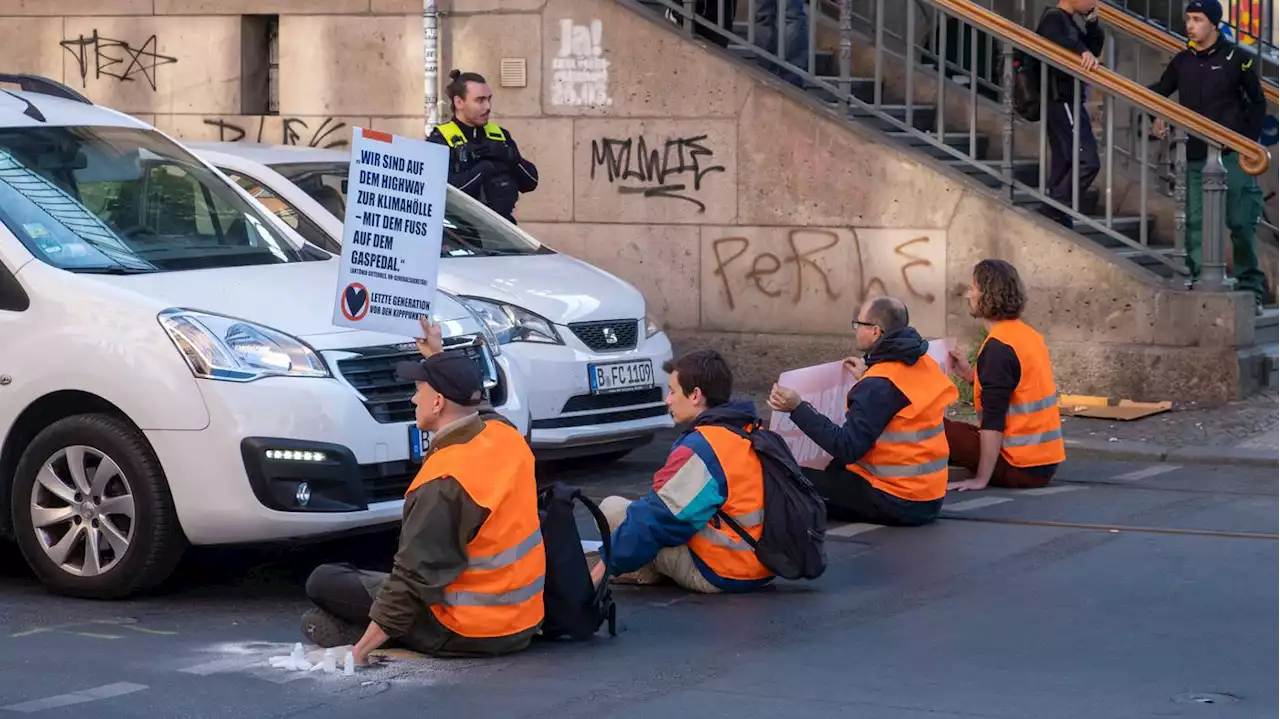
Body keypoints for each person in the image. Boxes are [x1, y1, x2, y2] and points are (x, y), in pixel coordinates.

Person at [300, 316, 545, 662]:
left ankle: (372, 636)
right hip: (523, 620)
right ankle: (374, 630)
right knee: (372, 581)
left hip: (467, 631)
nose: (413, 399)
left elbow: (412, 580)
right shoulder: (506, 436)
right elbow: (474, 405)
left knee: (324, 581)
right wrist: (436, 355)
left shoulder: (445, 481)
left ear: (437, 404)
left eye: (419, 391)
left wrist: (358, 653)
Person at [768, 296, 958, 527]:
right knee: (831, 470)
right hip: (929, 495)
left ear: (875, 331)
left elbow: (847, 447)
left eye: (859, 324)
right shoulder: (921, 362)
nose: (856, 330)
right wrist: (869, 376)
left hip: (896, 499)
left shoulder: (879, 385)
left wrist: (797, 408)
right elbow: (896, 402)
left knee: (787, 478)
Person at [598, 349, 774, 594]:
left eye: (672, 391)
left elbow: (656, 521)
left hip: (722, 573)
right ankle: (644, 568)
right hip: (764, 565)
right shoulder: (751, 430)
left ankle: (644, 571)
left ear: (695, 396)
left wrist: (598, 572)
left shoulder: (703, 446)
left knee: (613, 509)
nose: (667, 400)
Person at [1149, 0, 1271, 315]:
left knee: (1241, 222)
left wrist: (1248, 143)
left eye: (1197, 20)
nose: (1190, 25)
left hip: (1233, 155)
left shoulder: (1237, 59)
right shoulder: (1182, 61)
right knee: (1194, 221)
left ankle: (1251, 287)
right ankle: (1194, 275)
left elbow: (1258, 103)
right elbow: (1159, 90)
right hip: (1195, 154)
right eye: (1188, 19)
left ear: (1214, 24)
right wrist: (1157, 113)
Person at [945, 260, 1065, 492]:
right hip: (1042, 461)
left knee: (935, 430)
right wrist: (971, 376)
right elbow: (1012, 390)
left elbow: (994, 421)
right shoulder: (1025, 335)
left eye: (973, 288)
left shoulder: (998, 347)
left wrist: (980, 480)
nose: (968, 294)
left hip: (1019, 465)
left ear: (987, 296)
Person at [428, 69, 539, 225]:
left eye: (489, 99)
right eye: (480, 100)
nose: (488, 106)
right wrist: (485, 168)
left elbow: (531, 182)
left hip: (503, 232)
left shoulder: (499, 135)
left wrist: (510, 156)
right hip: (459, 236)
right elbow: (442, 193)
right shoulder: (440, 139)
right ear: (458, 102)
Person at [1035, 0, 1105, 226]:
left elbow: (1092, 51)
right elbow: (1064, 42)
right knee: (1087, 160)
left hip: (1068, 100)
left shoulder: (1069, 21)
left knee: (1065, 159)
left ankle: (1054, 211)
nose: (1094, 1)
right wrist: (1081, 51)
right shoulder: (1053, 17)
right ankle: (1055, 205)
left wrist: (1092, 25)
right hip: (1061, 99)